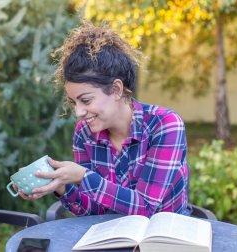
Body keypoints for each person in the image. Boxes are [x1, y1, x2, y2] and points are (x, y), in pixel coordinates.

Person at [16, 21, 190, 217]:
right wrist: (61, 186)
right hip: (114, 235)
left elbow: (146, 207)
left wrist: (83, 176)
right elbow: (93, 210)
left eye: (86, 100)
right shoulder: (85, 133)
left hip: (164, 236)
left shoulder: (165, 125)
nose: (79, 112)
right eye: (74, 103)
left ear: (116, 89)